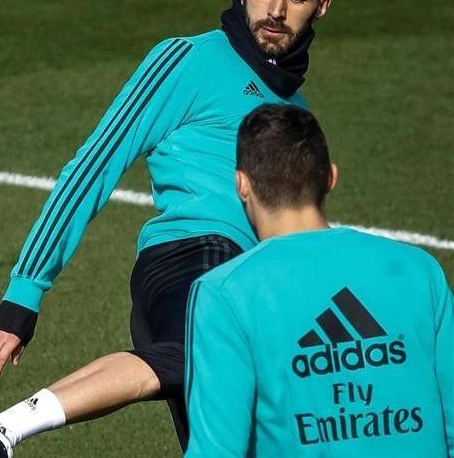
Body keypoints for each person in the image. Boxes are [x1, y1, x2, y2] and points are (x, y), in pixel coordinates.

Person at [0, 0, 333, 457]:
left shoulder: (297, 112)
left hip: (259, 288)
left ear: (319, 6)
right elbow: (93, 165)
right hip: (195, 258)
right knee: (199, 355)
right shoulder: (186, 61)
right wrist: (25, 292)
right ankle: (2, 430)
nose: (276, 10)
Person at [184, 104, 452, 456]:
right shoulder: (421, 271)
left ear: (242, 185)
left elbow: (217, 451)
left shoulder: (223, 294)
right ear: (330, 177)